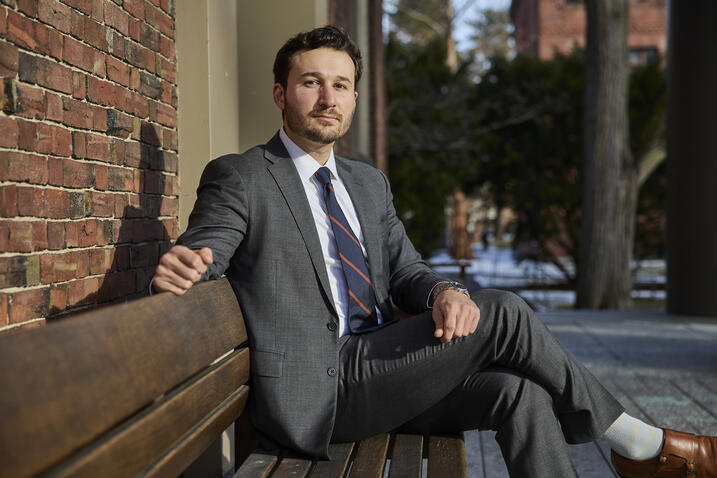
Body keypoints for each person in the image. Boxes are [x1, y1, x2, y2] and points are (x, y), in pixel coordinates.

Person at [151, 26, 716, 478]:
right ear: (281, 94)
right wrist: (188, 264)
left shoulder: (367, 183)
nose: (329, 98)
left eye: (342, 85)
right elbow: (208, 245)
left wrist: (445, 292)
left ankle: (638, 448)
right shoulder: (244, 176)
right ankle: (639, 444)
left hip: (386, 368)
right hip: (324, 390)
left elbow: (407, 271)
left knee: (519, 394)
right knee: (505, 311)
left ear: (353, 97)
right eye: (311, 83)